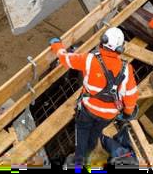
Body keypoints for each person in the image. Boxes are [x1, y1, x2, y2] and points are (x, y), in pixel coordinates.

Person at [50, 27, 138, 168]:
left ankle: (78, 162)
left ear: (102, 42)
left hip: (88, 110)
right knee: (95, 133)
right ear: (120, 49)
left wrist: (56, 45)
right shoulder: (126, 69)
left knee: (82, 132)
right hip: (108, 115)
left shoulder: (89, 60)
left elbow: (65, 59)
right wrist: (127, 112)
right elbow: (131, 96)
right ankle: (88, 151)